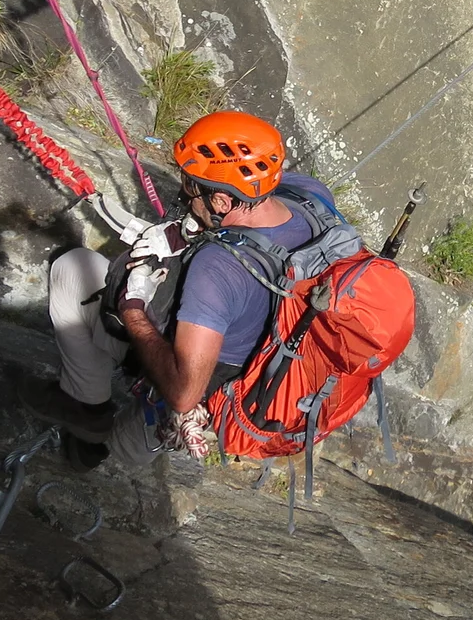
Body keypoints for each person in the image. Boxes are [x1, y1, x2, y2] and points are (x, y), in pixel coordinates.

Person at [22, 111, 316, 468]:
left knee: (72, 270)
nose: (183, 192)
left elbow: (183, 393)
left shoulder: (218, 269)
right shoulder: (310, 199)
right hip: (269, 373)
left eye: (191, 185)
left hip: (200, 395)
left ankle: (89, 414)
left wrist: (133, 308)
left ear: (222, 202)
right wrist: (186, 231)